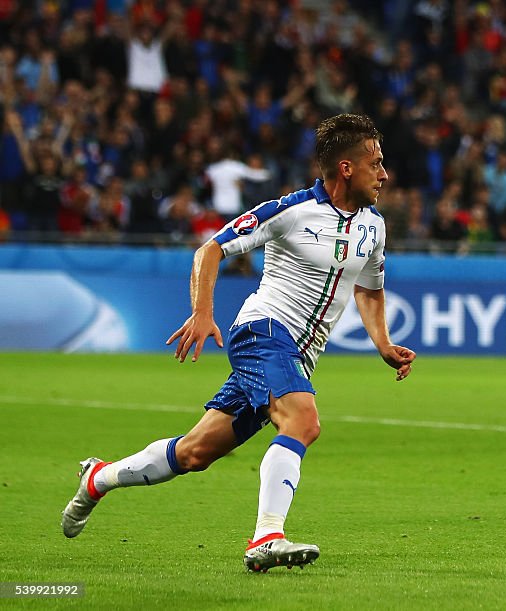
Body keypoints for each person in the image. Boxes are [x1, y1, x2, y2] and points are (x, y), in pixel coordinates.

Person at [61, 114, 416, 572]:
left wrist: (383, 343)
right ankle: (267, 536)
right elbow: (210, 250)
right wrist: (203, 312)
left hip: (298, 356)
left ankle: (98, 479)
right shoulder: (289, 211)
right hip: (263, 331)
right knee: (303, 421)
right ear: (346, 168)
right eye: (376, 163)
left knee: (192, 454)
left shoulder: (375, 227)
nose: (384, 174)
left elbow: (369, 287)